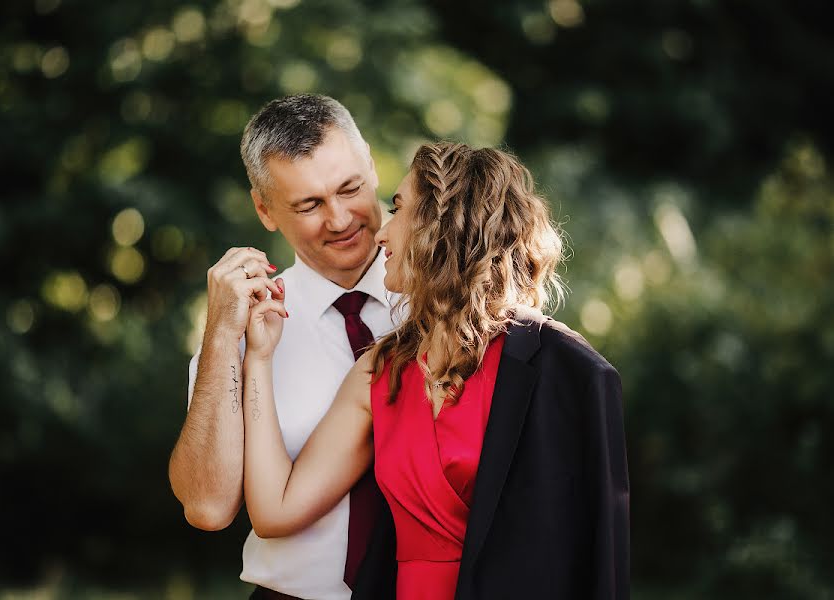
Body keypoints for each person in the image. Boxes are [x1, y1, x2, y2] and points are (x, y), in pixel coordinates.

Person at [240, 142, 630, 599]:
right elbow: (274, 510)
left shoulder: (567, 370)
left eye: (399, 208)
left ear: (443, 225)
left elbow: (599, 560)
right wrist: (259, 358)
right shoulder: (383, 369)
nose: (381, 233)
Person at [168, 94, 400, 600]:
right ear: (264, 209)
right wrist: (222, 339)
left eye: (350, 188)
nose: (340, 220)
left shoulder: (449, 304)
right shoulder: (244, 330)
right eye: (309, 205)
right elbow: (207, 508)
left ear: (372, 165)